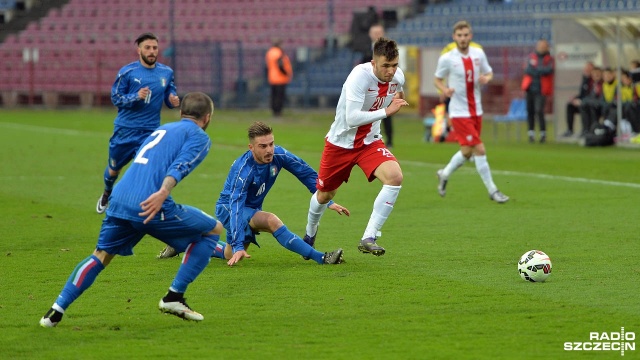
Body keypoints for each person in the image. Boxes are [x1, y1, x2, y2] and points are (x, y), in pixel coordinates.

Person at [40, 92, 222, 327]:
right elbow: (180, 166)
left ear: (180, 113)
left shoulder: (163, 129)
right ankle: (174, 296)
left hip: (120, 198)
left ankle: (55, 311)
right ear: (207, 118)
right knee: (213, 229)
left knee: (101, 256)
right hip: (149, 202)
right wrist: (164, 192)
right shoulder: (198, 136)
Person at [158, 122, 348, 265]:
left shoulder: (279, 155)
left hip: (250, 207)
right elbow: (236, 206)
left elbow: (306, 174)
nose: (269, 150)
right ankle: (322, 258)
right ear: (251, 148)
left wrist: (326, 201)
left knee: (229, 254)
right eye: (263, 146)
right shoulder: (244, 170)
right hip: (229, 208)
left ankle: (185, 242)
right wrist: (239, 244)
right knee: (272, 221)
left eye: (271, 144)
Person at [304, 37, 408, 257]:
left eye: (394, 65)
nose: (390, 71)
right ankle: (310, 234)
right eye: (385, 66)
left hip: (370, 142)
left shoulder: (397, 77)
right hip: (340, 143)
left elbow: (398, 90)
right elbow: (351, 118)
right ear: (373, 62)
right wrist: (387, 112)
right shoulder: (359, 77)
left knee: (395, 176)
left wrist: (399, 98)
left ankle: (369, 237)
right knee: (324, 195)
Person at [97, 32, 180, 214]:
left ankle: (140, 205)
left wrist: (173, 100)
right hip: (125, 131)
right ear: (139, 50)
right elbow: (116, 98)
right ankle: (107, 192)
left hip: (150, 133)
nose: (152, 51)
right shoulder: (127, 72)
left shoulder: (166, 72)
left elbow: (169, 94)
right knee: (113, 170)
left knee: (147, 171)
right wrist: (136, 96)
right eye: (147, 48)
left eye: (155, 48)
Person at [434, 20, 509, 204]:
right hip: (459, 113)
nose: (463, 38)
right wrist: (444, 89)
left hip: (476, 109)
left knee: (467, 151)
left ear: (470, 36)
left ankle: (444, 174)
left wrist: (486, 78)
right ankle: (493, 190)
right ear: (454, 37)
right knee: (479, 149)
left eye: (466, 35)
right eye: (459, 35)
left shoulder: (478, 53)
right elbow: (437, 79)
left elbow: (489, 72)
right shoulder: (447, 58)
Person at [362, 24, 395, 149]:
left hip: (385, 86)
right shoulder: (366, 50)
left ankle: (390, 139)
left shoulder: (390, 51)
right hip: (370, 88)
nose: (377, 35)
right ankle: (370, 137)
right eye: (374, 33)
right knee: (369, 113)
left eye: (379, 32)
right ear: (370, 35)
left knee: (386, 113)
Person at [523, 39, 554, 143]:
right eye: (540, 45)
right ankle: (531, 133)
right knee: (530, 111)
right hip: (530, 88)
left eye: (544, 46)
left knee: (539, 110)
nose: (541, 47)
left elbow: (549, 70)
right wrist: (539, 70)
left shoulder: (549, 59)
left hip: (542, 89)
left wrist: (536, 70)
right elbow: (527, 69)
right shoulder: (531, 57)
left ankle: (543, 134)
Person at [562, 61, 593, 137]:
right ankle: (570, 130)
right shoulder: (585, 78)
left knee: (583, 106)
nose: (586, 70)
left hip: (589, 103)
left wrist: (581, 101)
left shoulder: (593, 81)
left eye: (588, 69)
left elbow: (592, 95)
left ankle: (585, 130)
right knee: (570, 105)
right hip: (583, 101)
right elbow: (582, 93)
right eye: (585, 68)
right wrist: (575, 98)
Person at [265, 39, 293, 117]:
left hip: (272, 77)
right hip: (280, 78)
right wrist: (286, 73)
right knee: (279, 96)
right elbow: (280, 65)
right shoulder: (279, 53)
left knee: (273, 96)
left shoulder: (269, 53)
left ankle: (274, 111)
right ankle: (278, 111)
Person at [579, 66, 603, 133]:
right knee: (583, 106)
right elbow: (586, 95)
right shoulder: (591, 84)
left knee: (591, 106)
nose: (596, 75)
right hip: (591, 103)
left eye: (598, 74)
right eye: (594, 74)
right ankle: (585, 130)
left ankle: (593, 129)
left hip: (600, 105)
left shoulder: (603, 84)